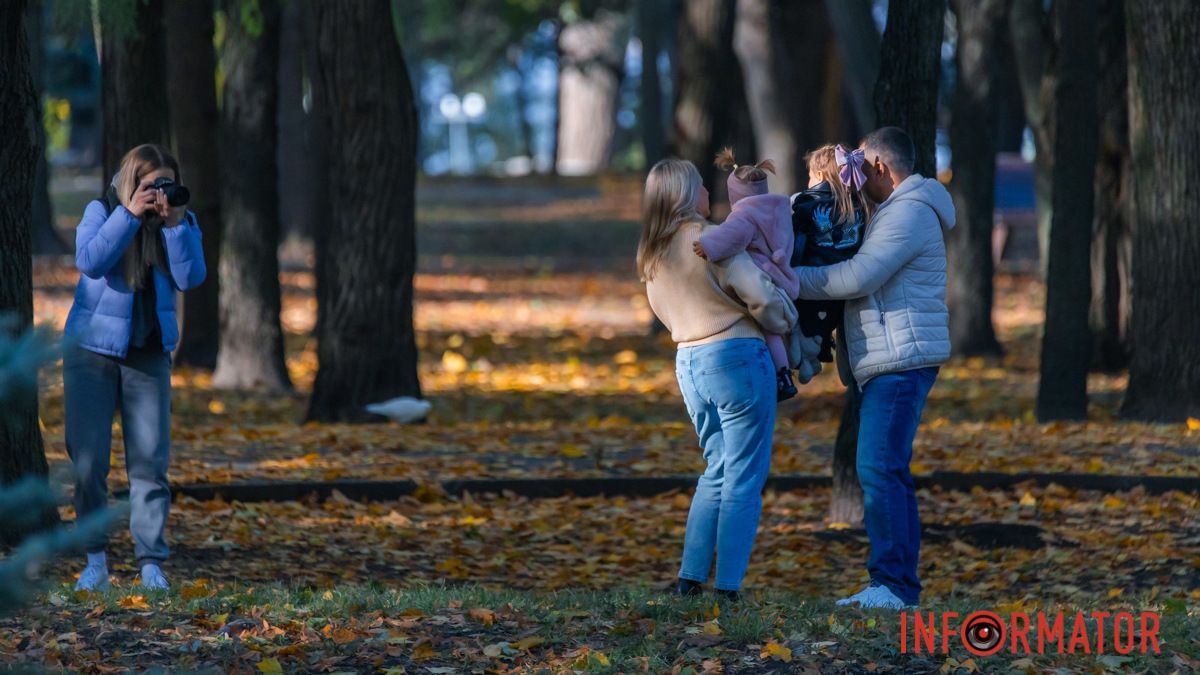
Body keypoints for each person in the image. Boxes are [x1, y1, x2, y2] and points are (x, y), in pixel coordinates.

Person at [792, 127, 955, 609]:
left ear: (881, 167)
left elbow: (857, 277)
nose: (856, 179)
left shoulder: (908, 214)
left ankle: (893, 586)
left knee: (879, 466)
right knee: (886, 468)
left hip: (901, 360)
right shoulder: (890, 212)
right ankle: (895, 584)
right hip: (888, 357)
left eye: (861, 169)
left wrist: (786, 276)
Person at [640, 158, 798, 600]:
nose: (711, 194)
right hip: (736, 354)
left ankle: (689, 579)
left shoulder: (652, 253)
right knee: (745, 476)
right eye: (702, 188)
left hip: (688, 362)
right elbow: (760, 295)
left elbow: (664, 312)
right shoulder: (710, 239)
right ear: (689, 196)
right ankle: (728, 587)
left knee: (717, 470)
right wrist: (787, 318)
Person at [64, 144, 207, 591]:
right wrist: (128, 214)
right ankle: (95, 562)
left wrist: (175, 225)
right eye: (150, 186)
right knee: (88, 463)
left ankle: (150, 564)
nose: (158, 195)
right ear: (130, 182)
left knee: (149, 464)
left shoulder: (178, 222)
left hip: (148, 353)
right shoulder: (101, 210)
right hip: (92, 351)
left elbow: (191, 279)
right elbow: (90, 262)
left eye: (165, 185)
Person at [692, 148, 801, 401]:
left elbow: (731, 237)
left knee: (770, 330)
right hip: (784, 275)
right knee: (781, 329)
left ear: (735, 195)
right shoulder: (779, 209)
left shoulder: (744, 216)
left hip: (764, 276)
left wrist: (708, 246)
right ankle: (795, 364)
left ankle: (783, 376)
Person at [790, 144, 873, 365]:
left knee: (801, 316)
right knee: (830, 320)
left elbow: (797, 239)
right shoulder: (860, 205)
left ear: (819, 175)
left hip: (813, 274)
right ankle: (823, 346)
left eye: (809, 176)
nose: (808, 183)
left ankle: (806, 356)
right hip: (844, 284)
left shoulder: (807, 203)